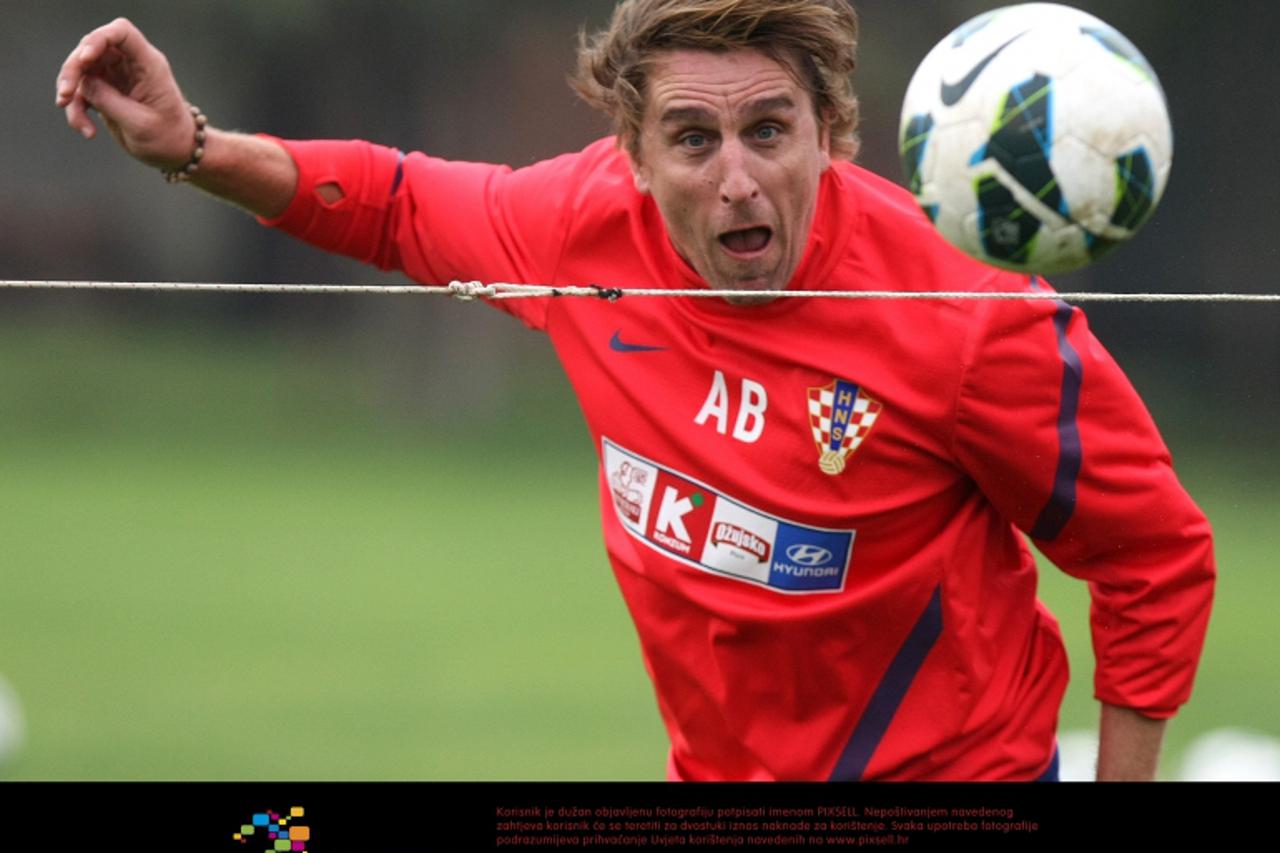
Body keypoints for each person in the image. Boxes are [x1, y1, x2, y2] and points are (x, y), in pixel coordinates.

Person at [55, 0, 1214, 781]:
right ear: (633, 150)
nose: (738, 178)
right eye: (692, 138)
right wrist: (186, 144)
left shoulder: (967, 316)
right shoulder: (578, 225)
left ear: (831, 134)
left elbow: (1152, 554)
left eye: (770, 130)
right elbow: (395, 200)